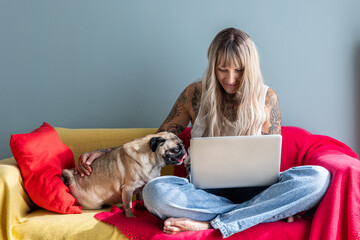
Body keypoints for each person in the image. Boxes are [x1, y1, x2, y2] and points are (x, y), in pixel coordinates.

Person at [75, 28, 331, 238]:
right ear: (213, 66)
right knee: (155, 193)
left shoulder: (267, 99)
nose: (230, 78)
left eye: (239, 70)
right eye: (222, 69)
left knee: (317, 177)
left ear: (250, 68)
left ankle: (213, 224)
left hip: (256, 192)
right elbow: (156, 142)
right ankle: (253, 215)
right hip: (202, 195)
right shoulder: (194, 94)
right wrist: (107, 152)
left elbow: (271, 164)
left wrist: (272, 197)